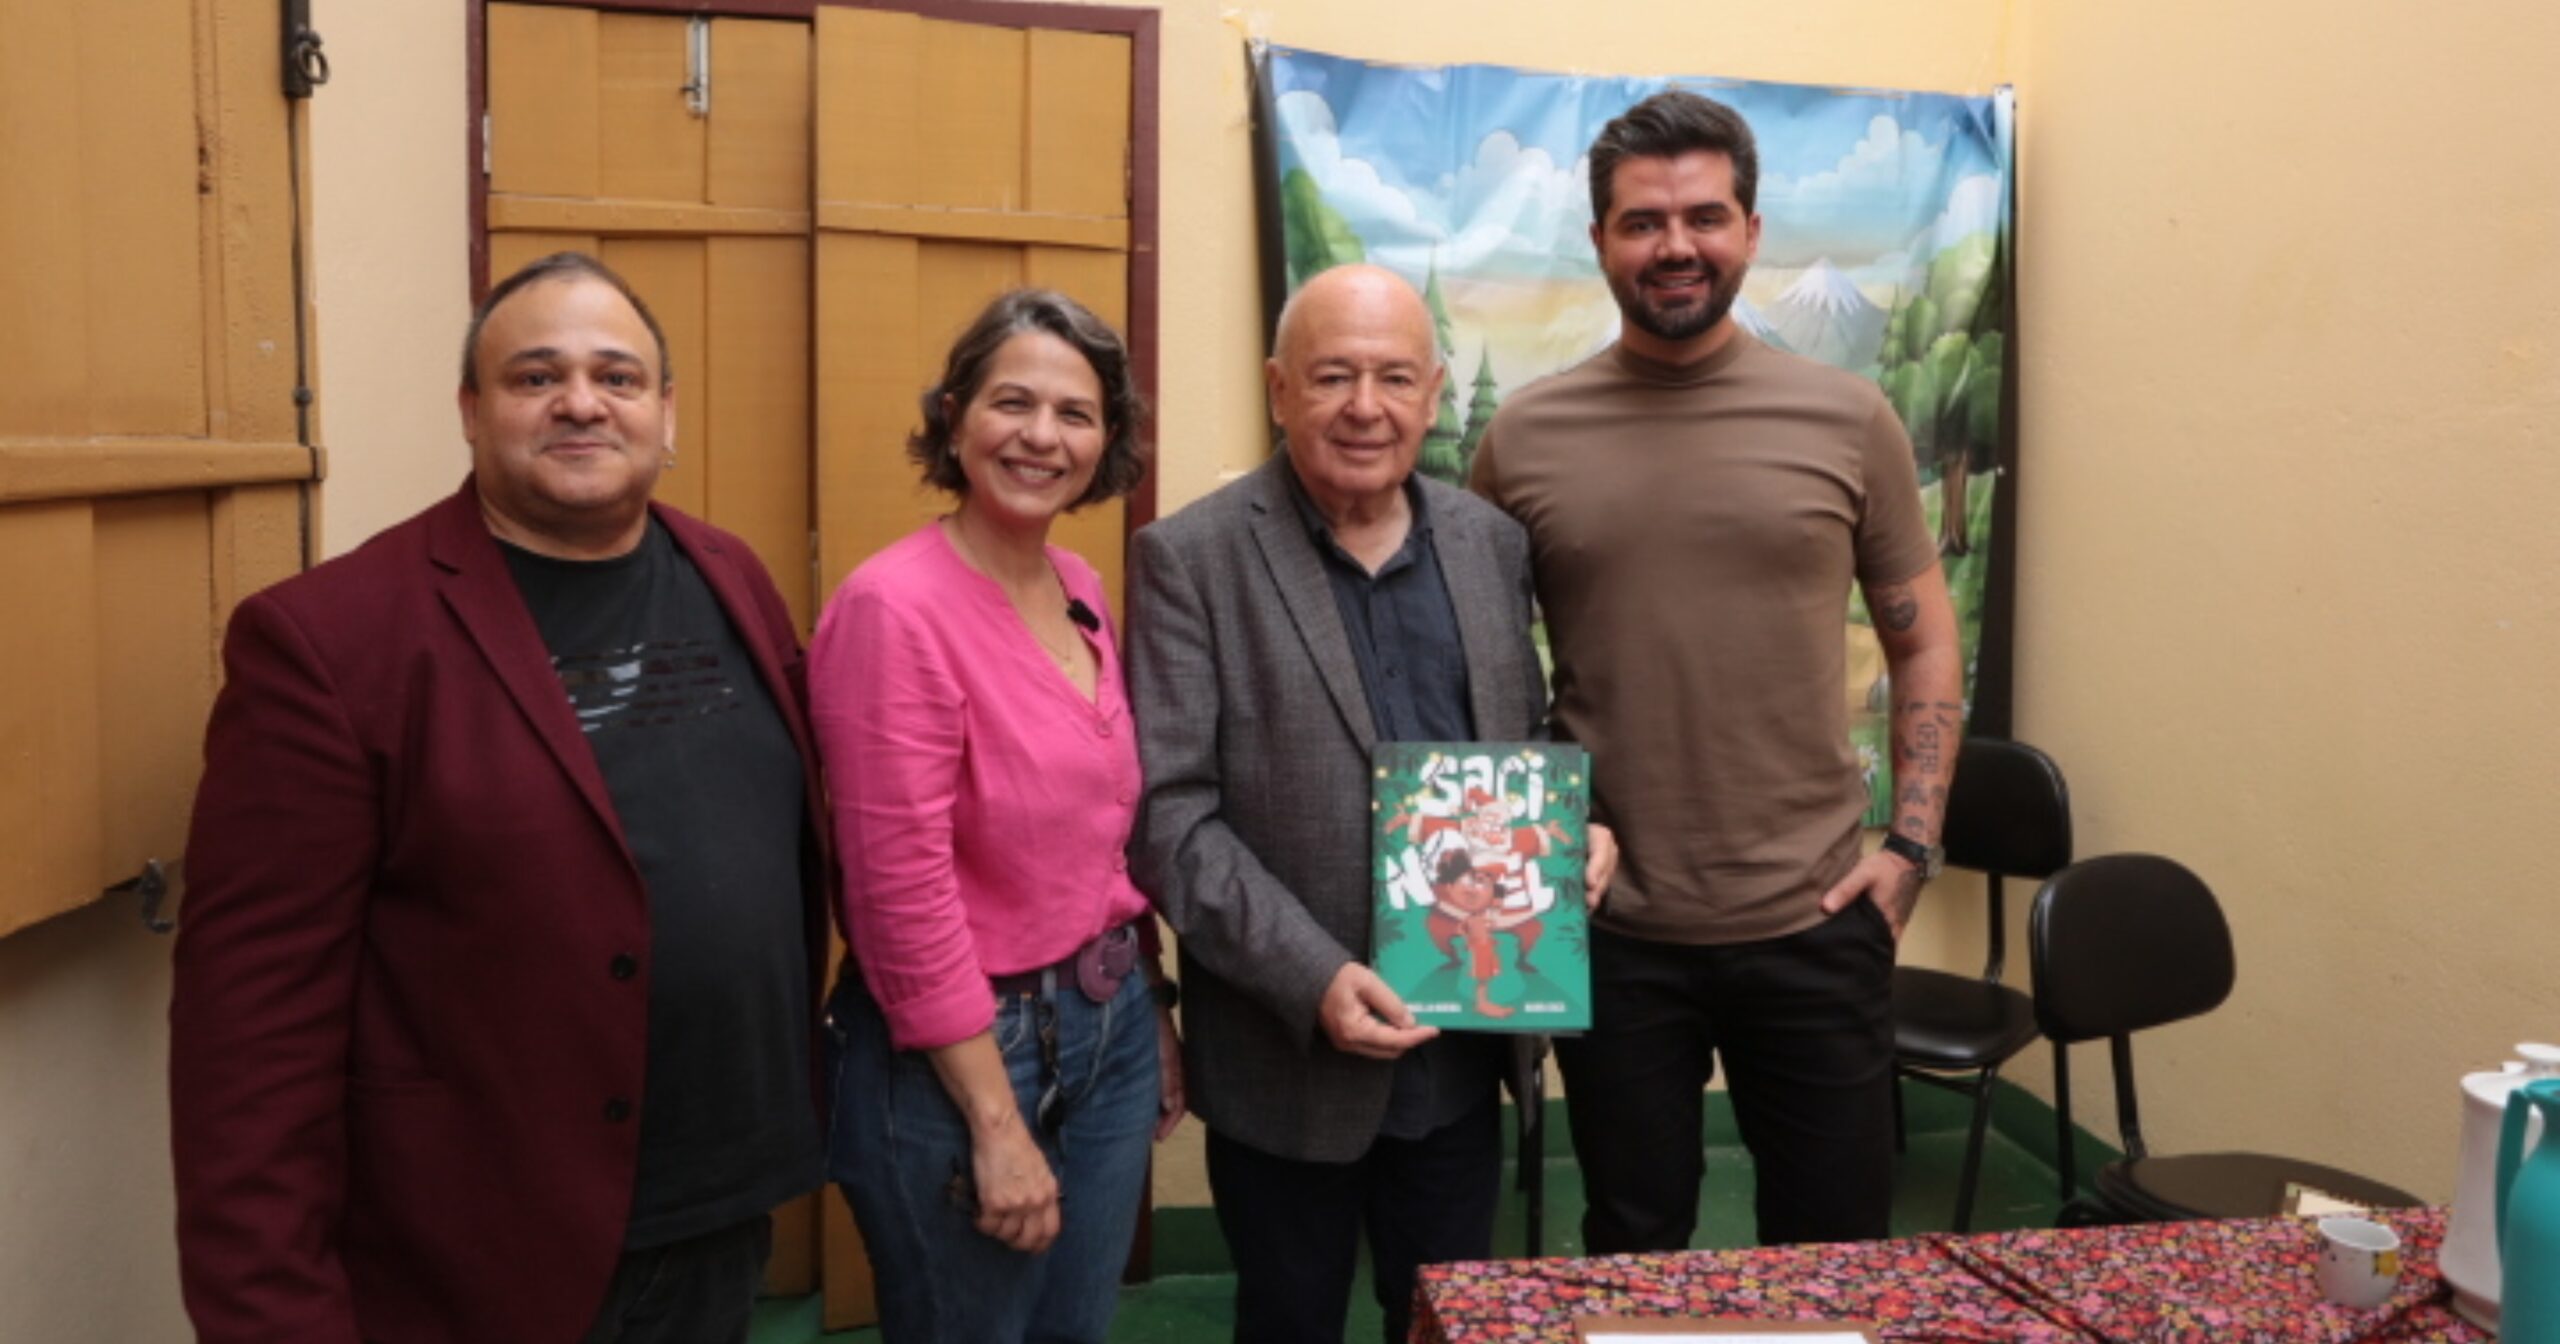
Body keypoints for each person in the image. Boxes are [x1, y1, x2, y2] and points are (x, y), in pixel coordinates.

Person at [171, 251, 828, 1344]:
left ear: (666, 413)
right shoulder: (331, 642)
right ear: (471, 412)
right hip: (485, 1251)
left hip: (718, 1216)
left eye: (618, 376)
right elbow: (250, 1036)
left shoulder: (729, 573)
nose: (581, 401)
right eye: (535, 377)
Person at [1469, 90, 1965, 1253]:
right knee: (1634, 1245)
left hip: (1816, 918)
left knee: (1836, 1253)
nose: (1674, 245)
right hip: (1610, 929)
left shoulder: (1848, 420)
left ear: (1750, 229)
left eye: (1704, 215)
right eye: (1642, 222)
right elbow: (1474, 673)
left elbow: (1922, 635)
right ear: (1599, 241)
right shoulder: (1523, 438)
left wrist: (1911, 849)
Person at [1127, 263, 1616, 1344]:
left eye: (1394, 377)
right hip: (1290, 1054)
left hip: (1463, 1042)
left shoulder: (1490, 546)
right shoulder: (1189, 559)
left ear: (1434, 394)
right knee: (1290, 1322)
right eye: (1332, 375)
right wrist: (1313, 978)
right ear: (1277, 389)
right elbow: (1168, 818)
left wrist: (1568, 828)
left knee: (1441, 1319)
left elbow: (1519, 749)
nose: (1365, 406)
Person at [809, 288, 1178, 1344]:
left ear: (1105, 440)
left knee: (1073, 1331)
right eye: (1011, 402)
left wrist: (1146, 1007)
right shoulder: (894, 609)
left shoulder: (1077, 584)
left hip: (1104, 1028)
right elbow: (896, 892)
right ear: (955, 415)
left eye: (1075, 412)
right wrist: (994, 1122)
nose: (1040, 436)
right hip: (963, 1059)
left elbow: (1102, 837)